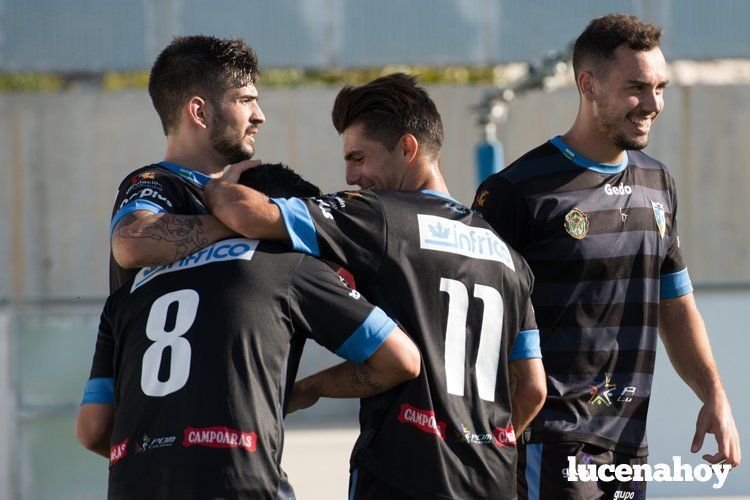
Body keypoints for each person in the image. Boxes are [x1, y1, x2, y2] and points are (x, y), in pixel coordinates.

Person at [204, 73, 547, 499]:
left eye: (359, 158)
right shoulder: (507, 256)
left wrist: (218, 187)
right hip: (492, 481)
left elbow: (247, 215)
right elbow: (532, 387)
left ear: (408, 148)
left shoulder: (378, 217)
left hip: (401, 477)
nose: (351, 175)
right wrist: (478, 446)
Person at [472, 13, 741, 499]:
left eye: (660, 87)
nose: (653, 104)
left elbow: (675, 304)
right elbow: (477, 326)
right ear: (588, 84)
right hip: (548, 442)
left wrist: (714, 394)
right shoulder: (516, 191)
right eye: (637, 87)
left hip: (627, 445)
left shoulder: (658, 183)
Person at [76, 163, 421, 499]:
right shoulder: (288, 264)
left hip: (133, 485)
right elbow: (400, 359)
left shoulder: (126, 296)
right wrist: (310, 390)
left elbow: (92, 431)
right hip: (239, 480)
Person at [109, 34, 265, 292]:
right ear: (200, 112)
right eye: (245, 100)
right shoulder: (157, 182)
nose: (259, 116)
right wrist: (247, 221)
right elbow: (131, 242)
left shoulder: (247, 191)